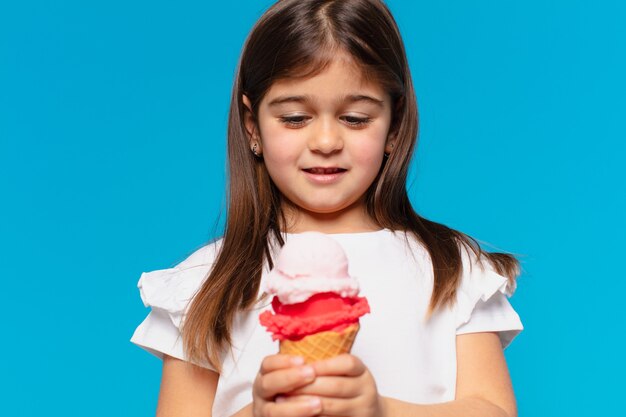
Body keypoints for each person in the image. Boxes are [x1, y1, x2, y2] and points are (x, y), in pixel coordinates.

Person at [130, 1, 524, 416]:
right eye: (296, 118)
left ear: (394, 124)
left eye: (355, 119)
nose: (325, 140)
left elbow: (493, 409)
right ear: (252, 126)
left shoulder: (450, 266)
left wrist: (381, 410)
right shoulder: (206, 281)